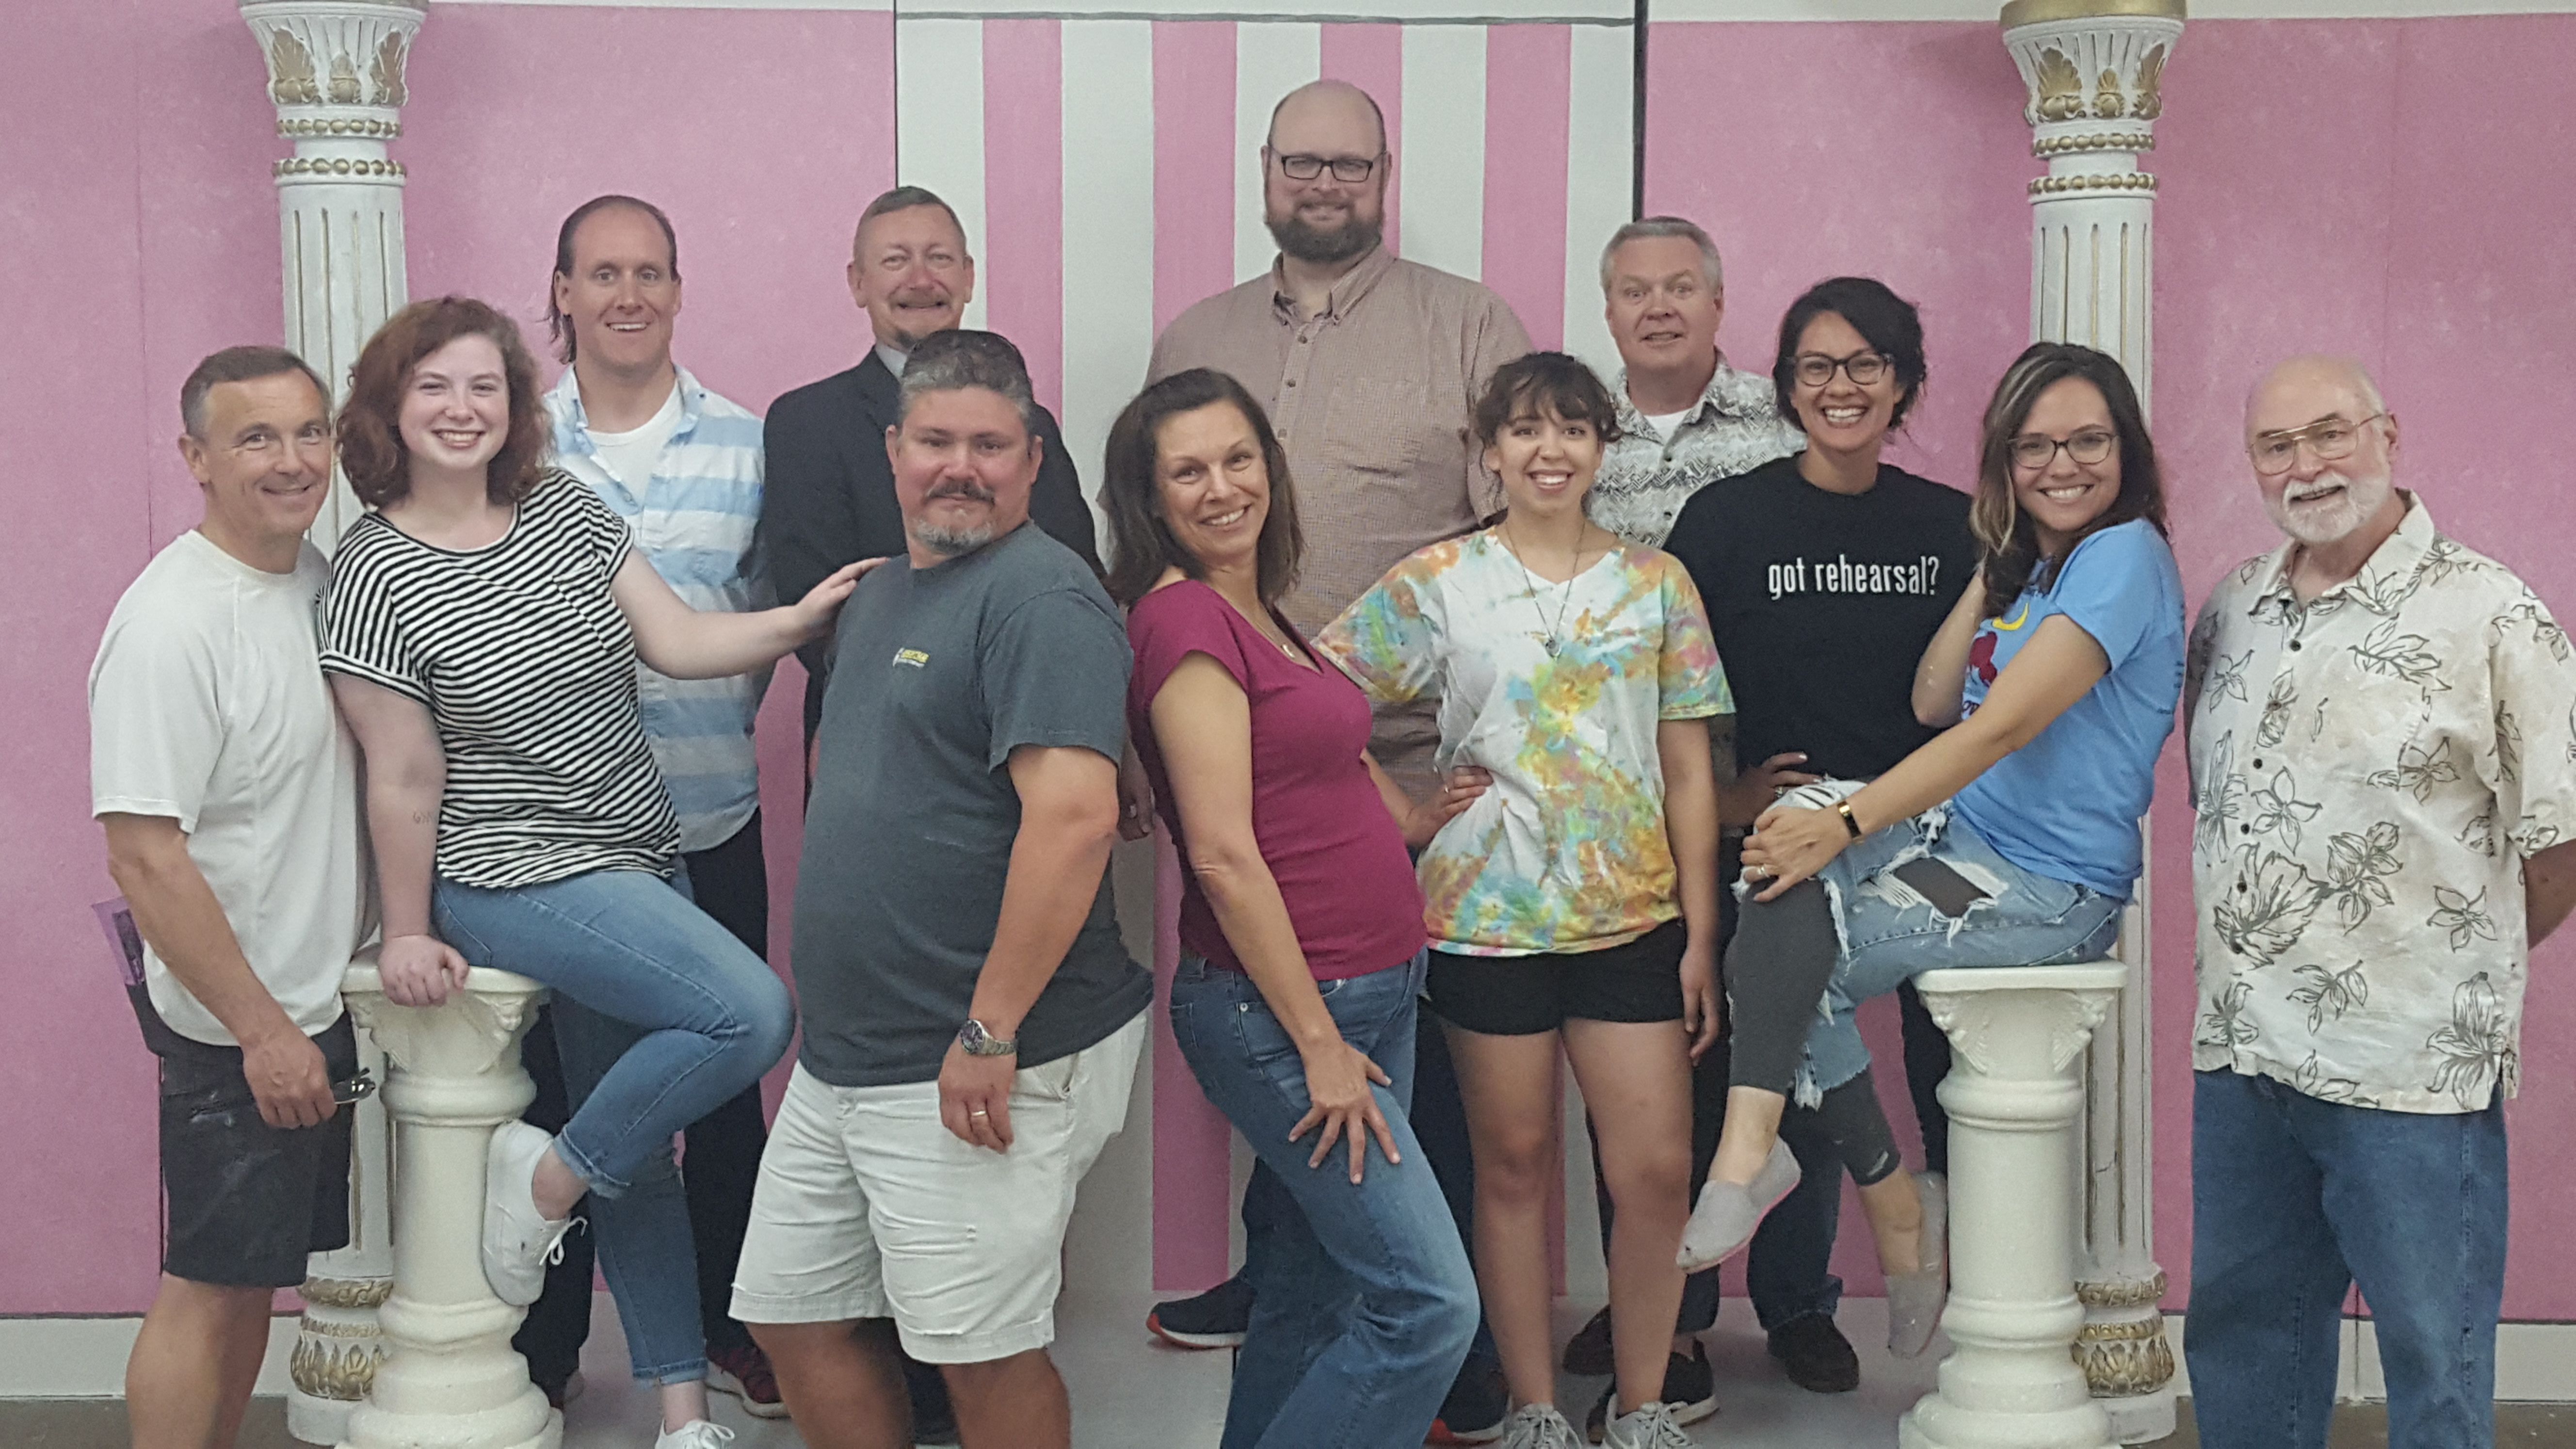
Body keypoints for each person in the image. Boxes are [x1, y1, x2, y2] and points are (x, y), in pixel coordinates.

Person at [320, 297, 867, 1449]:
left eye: (485, 386)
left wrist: (799, 618)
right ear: (389, 407)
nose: (461, 408)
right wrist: (408, 927)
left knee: (644, 1154)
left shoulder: (565, 509)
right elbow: (403, 773)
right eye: (433, 386)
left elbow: (677, 640)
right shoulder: (372, 571)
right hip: (505, 872)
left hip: (634, 855)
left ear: (516, 405)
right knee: (750, 1013)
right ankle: (547, 1180)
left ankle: (680, 1415)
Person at [1145, 78, 1530, 1440]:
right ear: (1266, 169)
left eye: (1347, 164)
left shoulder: (1467, 324)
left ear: (1383, 173)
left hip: (1405, 764)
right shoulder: (1197, 340)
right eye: (1300, 160)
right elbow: (1220, 848)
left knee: (1419, 1135)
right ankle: (1399, 1341)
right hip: (1252, 810)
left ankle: (1442, 1374)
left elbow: (1513, 540)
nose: (1323, 182)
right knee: (1376, 1217)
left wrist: (1419, 798)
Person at [1674, 343, 2184, 1370]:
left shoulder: (2123, 557)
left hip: (2046, 883)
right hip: (1965, 839)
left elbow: (1995, 730)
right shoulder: (2045, 569)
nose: (2061, 465)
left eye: (2086, 441)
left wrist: (1848, 824)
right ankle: (1832, 1180)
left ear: (2127, 450)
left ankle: (1848, 1189)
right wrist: (1996, 564)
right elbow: (1931, 698)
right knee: (1776, 860)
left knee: (1801, 941)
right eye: (2032, 447)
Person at [731, 330, 1153, 1449]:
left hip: (970, 1050)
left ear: (1031, 458)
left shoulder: (1042, 598)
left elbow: (1075, 819)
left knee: (980, 1351)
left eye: (989, 444)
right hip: (849, 1053)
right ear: (893, 450)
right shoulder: (879, 597)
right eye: (934, 441)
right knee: (790, 1314)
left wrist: (988, 1025)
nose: (958, 467)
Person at [1319, 353, 1725, 1449]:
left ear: (1601, 448)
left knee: (1653, 1170)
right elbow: (1315, 699)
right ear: (1488, 452)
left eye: (1573, 428)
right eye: (1526, 430)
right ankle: (1534, 1406)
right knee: (1510, 1164)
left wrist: (1699, 931)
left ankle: (1641, 1402)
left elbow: (1688, 770)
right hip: (1483, 919)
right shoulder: (1440, 578)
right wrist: (1406, 811)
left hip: (1632, 915)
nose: (1550, 450)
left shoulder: (1657, 584)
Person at [2182, 355, 2576, 1449]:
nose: (2305, 465)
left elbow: (2560, 840)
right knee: (2242, 1343)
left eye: (2330, 433)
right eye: (2275, 446)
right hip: (2243, 1058)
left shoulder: (2490, 614)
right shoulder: (2232, 610)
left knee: (2432, 1358)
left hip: (2410, 1071)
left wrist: (2452, 963)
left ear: (2387, 435)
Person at [1102, 367, 1482, 1448]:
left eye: (1238, 458)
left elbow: (1322, 750)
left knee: (1316, 1296)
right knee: (1428, 1304)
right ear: (1150, 497)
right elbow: (1224, 856)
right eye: (1188, 472)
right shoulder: (1185, 621)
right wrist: (1317, 1043)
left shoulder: (1255, 612)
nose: (1222, 487)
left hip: (1373, 987)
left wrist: (1412, 819)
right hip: (1288, 1013)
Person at [1629, 274, 1977, 1394]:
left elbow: (1988, 703)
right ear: (1783, 386)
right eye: (1815, 367)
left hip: (1921, 837)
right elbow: (1663, 690)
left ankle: (1837, 1295)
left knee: (1960, 1035)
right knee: (1759, 1011)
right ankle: (1685, 1319)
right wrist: (1725, 801)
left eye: (1864, 364)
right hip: (1779, 833)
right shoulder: (1727, 522)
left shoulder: (1951, 526)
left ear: (1902, 383)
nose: (1840, 387)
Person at [513, 192, 785, 1417]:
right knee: (556, 1091)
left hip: (711, 822)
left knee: (721, 1086)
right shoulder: (511, 448)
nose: (628, 294)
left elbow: (763, 617)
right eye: (602, 273)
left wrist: (706, 715)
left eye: (650, 273)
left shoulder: (749, 444)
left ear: (678, 291)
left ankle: (727, 1326)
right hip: (559, 850)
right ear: (561, 293)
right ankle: (547, 1343)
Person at [93, 347, 370, 1449]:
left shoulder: (315, 581)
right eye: (257, 437)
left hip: (305, 1001)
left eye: (309, 432)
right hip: (236, 1020)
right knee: (205, 1284)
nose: (292, 459)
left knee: (253, 1275)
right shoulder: (171, 624)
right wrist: (261, 1031)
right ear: (197, 458)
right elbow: (143, 856)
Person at [759, 185, 1101, 749]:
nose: (920, 280)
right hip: (873, 738)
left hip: (1029, 728)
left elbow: (1076, 573)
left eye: (938, 258)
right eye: (895, 261)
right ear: (857, 283)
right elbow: (818, 614)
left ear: (968, 277)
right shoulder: (807, 423)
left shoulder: (1029, 421)